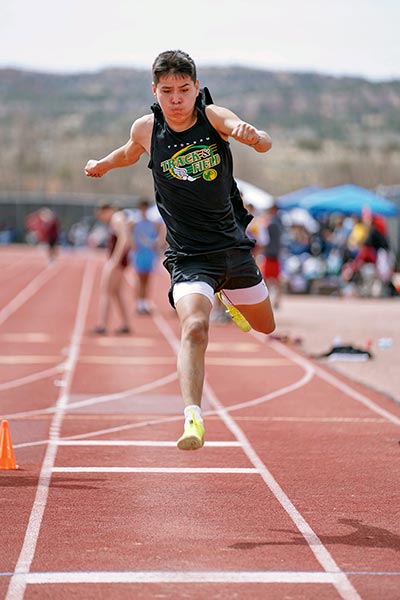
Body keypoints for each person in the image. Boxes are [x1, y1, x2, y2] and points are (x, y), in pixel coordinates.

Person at [85, 50, 275, 450]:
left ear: (196, 88)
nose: (176, 98)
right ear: (155, 90)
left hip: (233, 247)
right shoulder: (147, 128)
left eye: (184, 90)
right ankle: (193, 417)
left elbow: (259, 138)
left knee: (266, 327)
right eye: (167, 90)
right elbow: (127, 153)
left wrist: (251, 136)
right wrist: (101, 164)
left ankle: (231, 296)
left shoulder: (212, 117)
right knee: (194, 327)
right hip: (189, 256)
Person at [91, 203, 132, 335]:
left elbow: (124, 239)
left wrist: (115, 259)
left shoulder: (117, 218)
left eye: (100, 216)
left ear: (105, 210)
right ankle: (126, 324)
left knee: (106, 290)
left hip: (117, 262)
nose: (102, 219)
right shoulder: (119, 218)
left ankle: (102, 325)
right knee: (116, 292)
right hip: (120, 261)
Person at [130, 200, 165, 315]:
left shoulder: (152, 222)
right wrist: (132, 243)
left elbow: (160, 231)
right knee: (140, 278)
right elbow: (129, 232)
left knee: (147, 279)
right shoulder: (134, 221)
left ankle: (145, 302)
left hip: (149, 252)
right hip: (139, 252)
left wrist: (157, 243)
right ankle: (139, 303)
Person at [262, 203, 283, 308]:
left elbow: (265, 240)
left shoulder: (272, 222)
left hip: (270, 255)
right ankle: (276, 300)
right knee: (276, 280)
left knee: (265, 281)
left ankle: (267, 301)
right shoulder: (279, 221)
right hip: (275, 254)